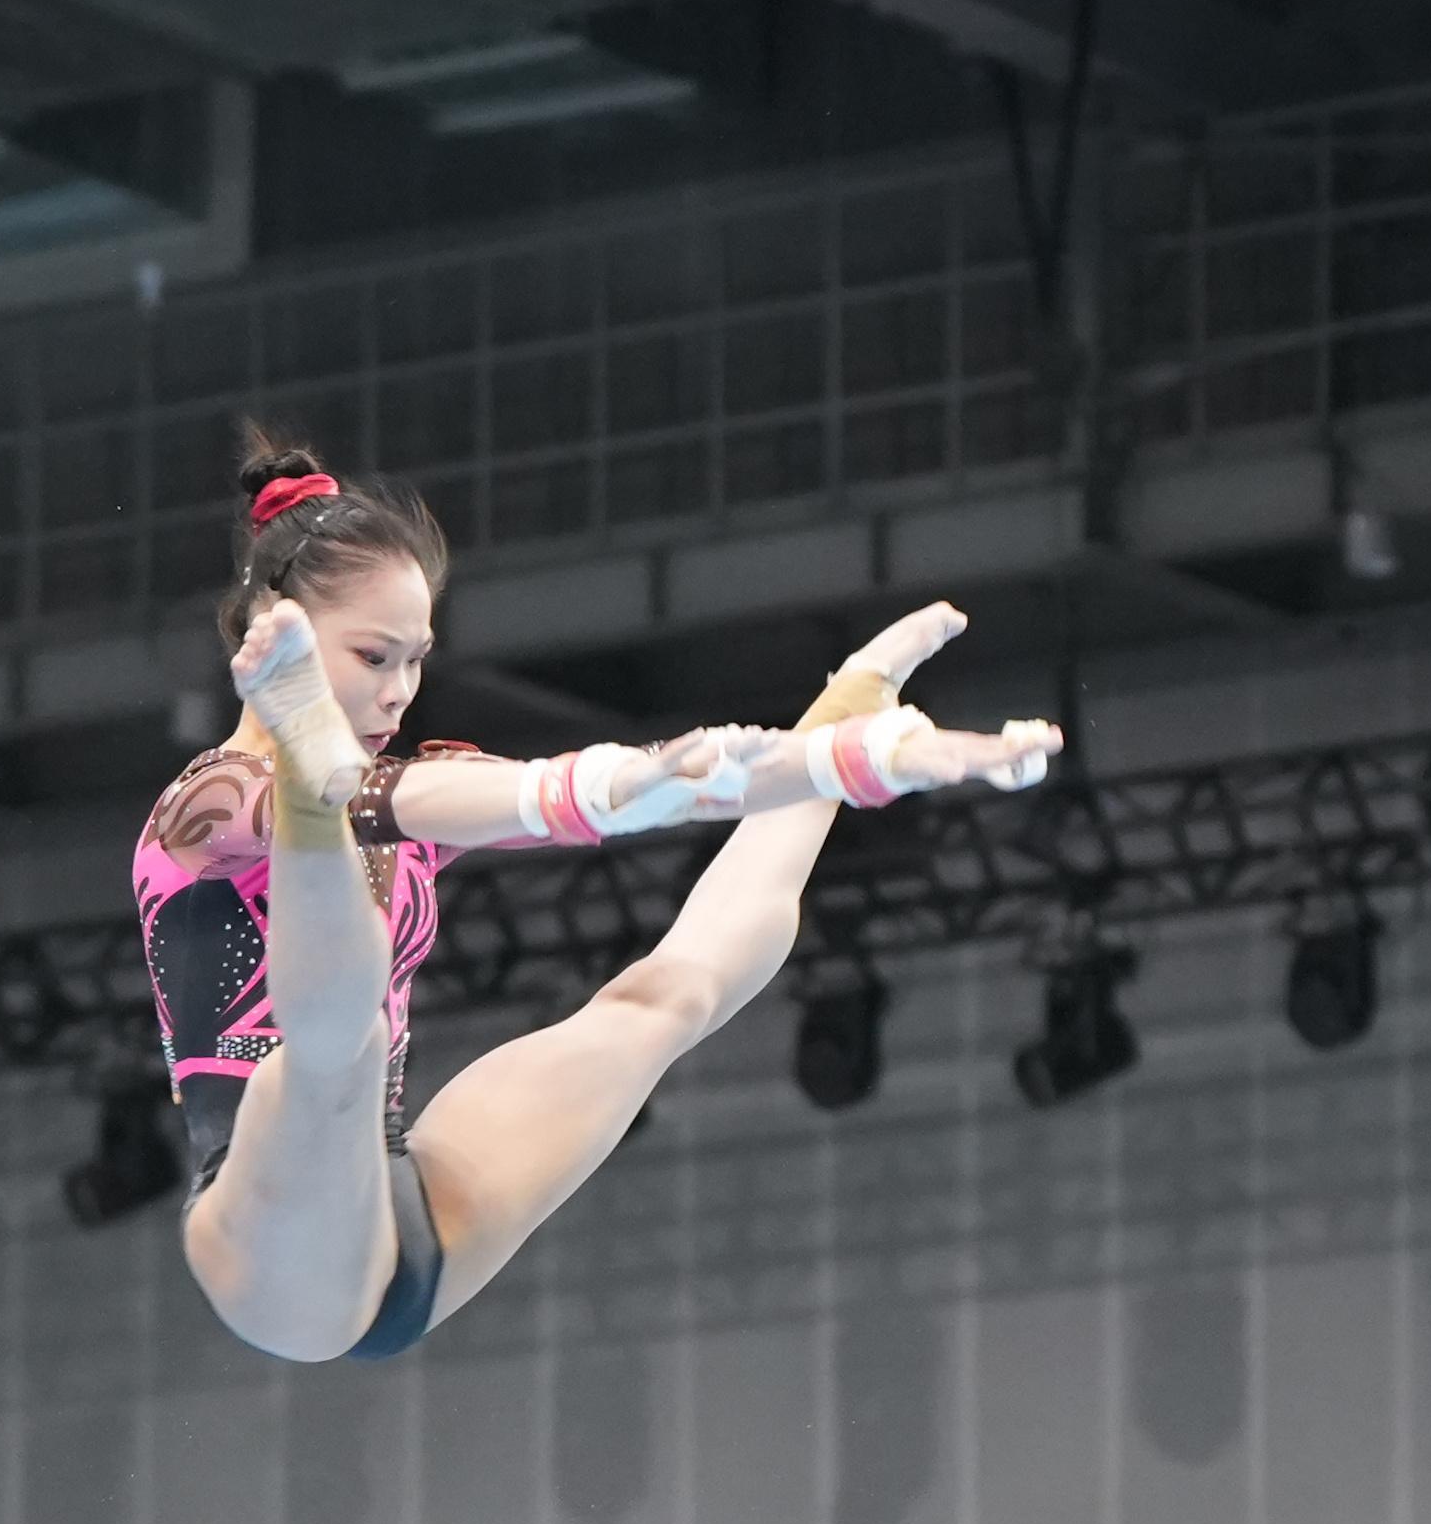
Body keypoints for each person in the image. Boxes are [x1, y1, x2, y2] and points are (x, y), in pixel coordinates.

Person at [143, 423, 1056, 1375]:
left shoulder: (409, 782)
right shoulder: (206, 805)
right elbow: (411, 803)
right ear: (276, 630)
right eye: (374, 658)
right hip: (273, 1243)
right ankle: (311, 784)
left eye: (416, 660)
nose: (400, 693)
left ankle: (847, 702)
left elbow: (589, 793)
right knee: (338, 1047)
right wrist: (330, 779)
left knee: (665, 1000)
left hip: (408, 1222)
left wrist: (856, 751)